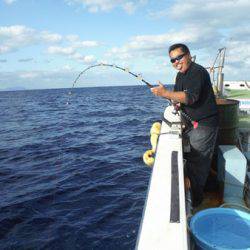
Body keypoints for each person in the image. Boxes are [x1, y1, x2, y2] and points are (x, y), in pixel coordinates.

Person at [151, 43, 219, 207]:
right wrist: (175, 101)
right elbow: (181, 98)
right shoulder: (180, 76)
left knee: (198, 163)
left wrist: (165, 93)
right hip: (191, 123)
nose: (176, 62)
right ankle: (201, 189)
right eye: (172, 60)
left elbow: (191, 97)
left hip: (205, 125)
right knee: (191, 158)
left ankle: (196, 201)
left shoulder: (197, 72)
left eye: (179, 57)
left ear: (188, 55)